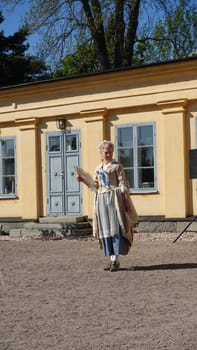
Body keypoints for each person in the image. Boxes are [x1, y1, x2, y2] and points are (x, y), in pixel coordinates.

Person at [77, 140, 138, 271]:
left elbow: (124, 182)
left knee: (115, 228)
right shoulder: (98, 168)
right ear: (101, 153)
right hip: (101, 200)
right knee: (105, 229)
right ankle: (111, 259)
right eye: (106, 152)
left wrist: (122, 188)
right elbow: (95, 186)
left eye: (110, 151)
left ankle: (115, 259)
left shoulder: (117, 166)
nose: (108, 154)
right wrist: (83, 180)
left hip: (113, 200)